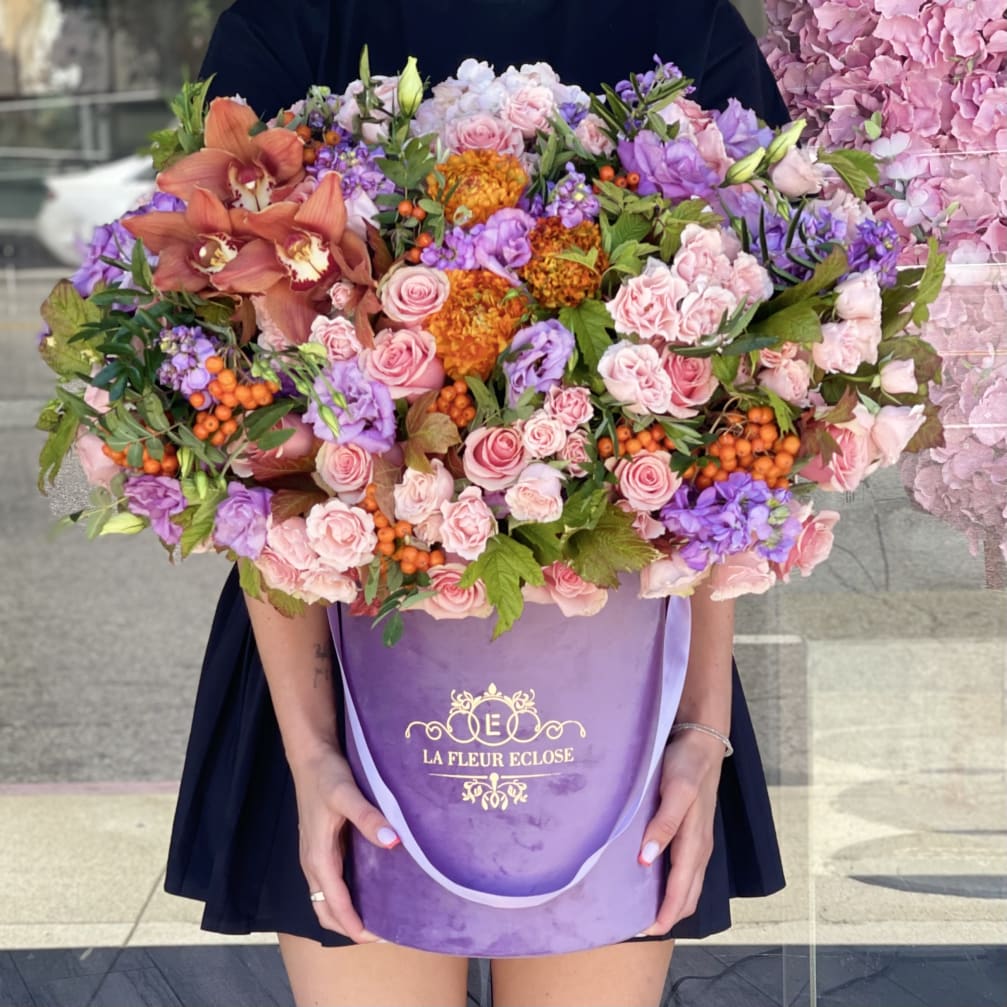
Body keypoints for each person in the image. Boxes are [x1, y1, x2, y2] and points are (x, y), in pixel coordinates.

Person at [166, 2, 789, 1004]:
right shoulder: (293, 23)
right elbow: (246, 423)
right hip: (332, 670)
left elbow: (732, 430)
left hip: (626, 686)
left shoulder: (679, 25)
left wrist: (698, 726)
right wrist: (311, 750)